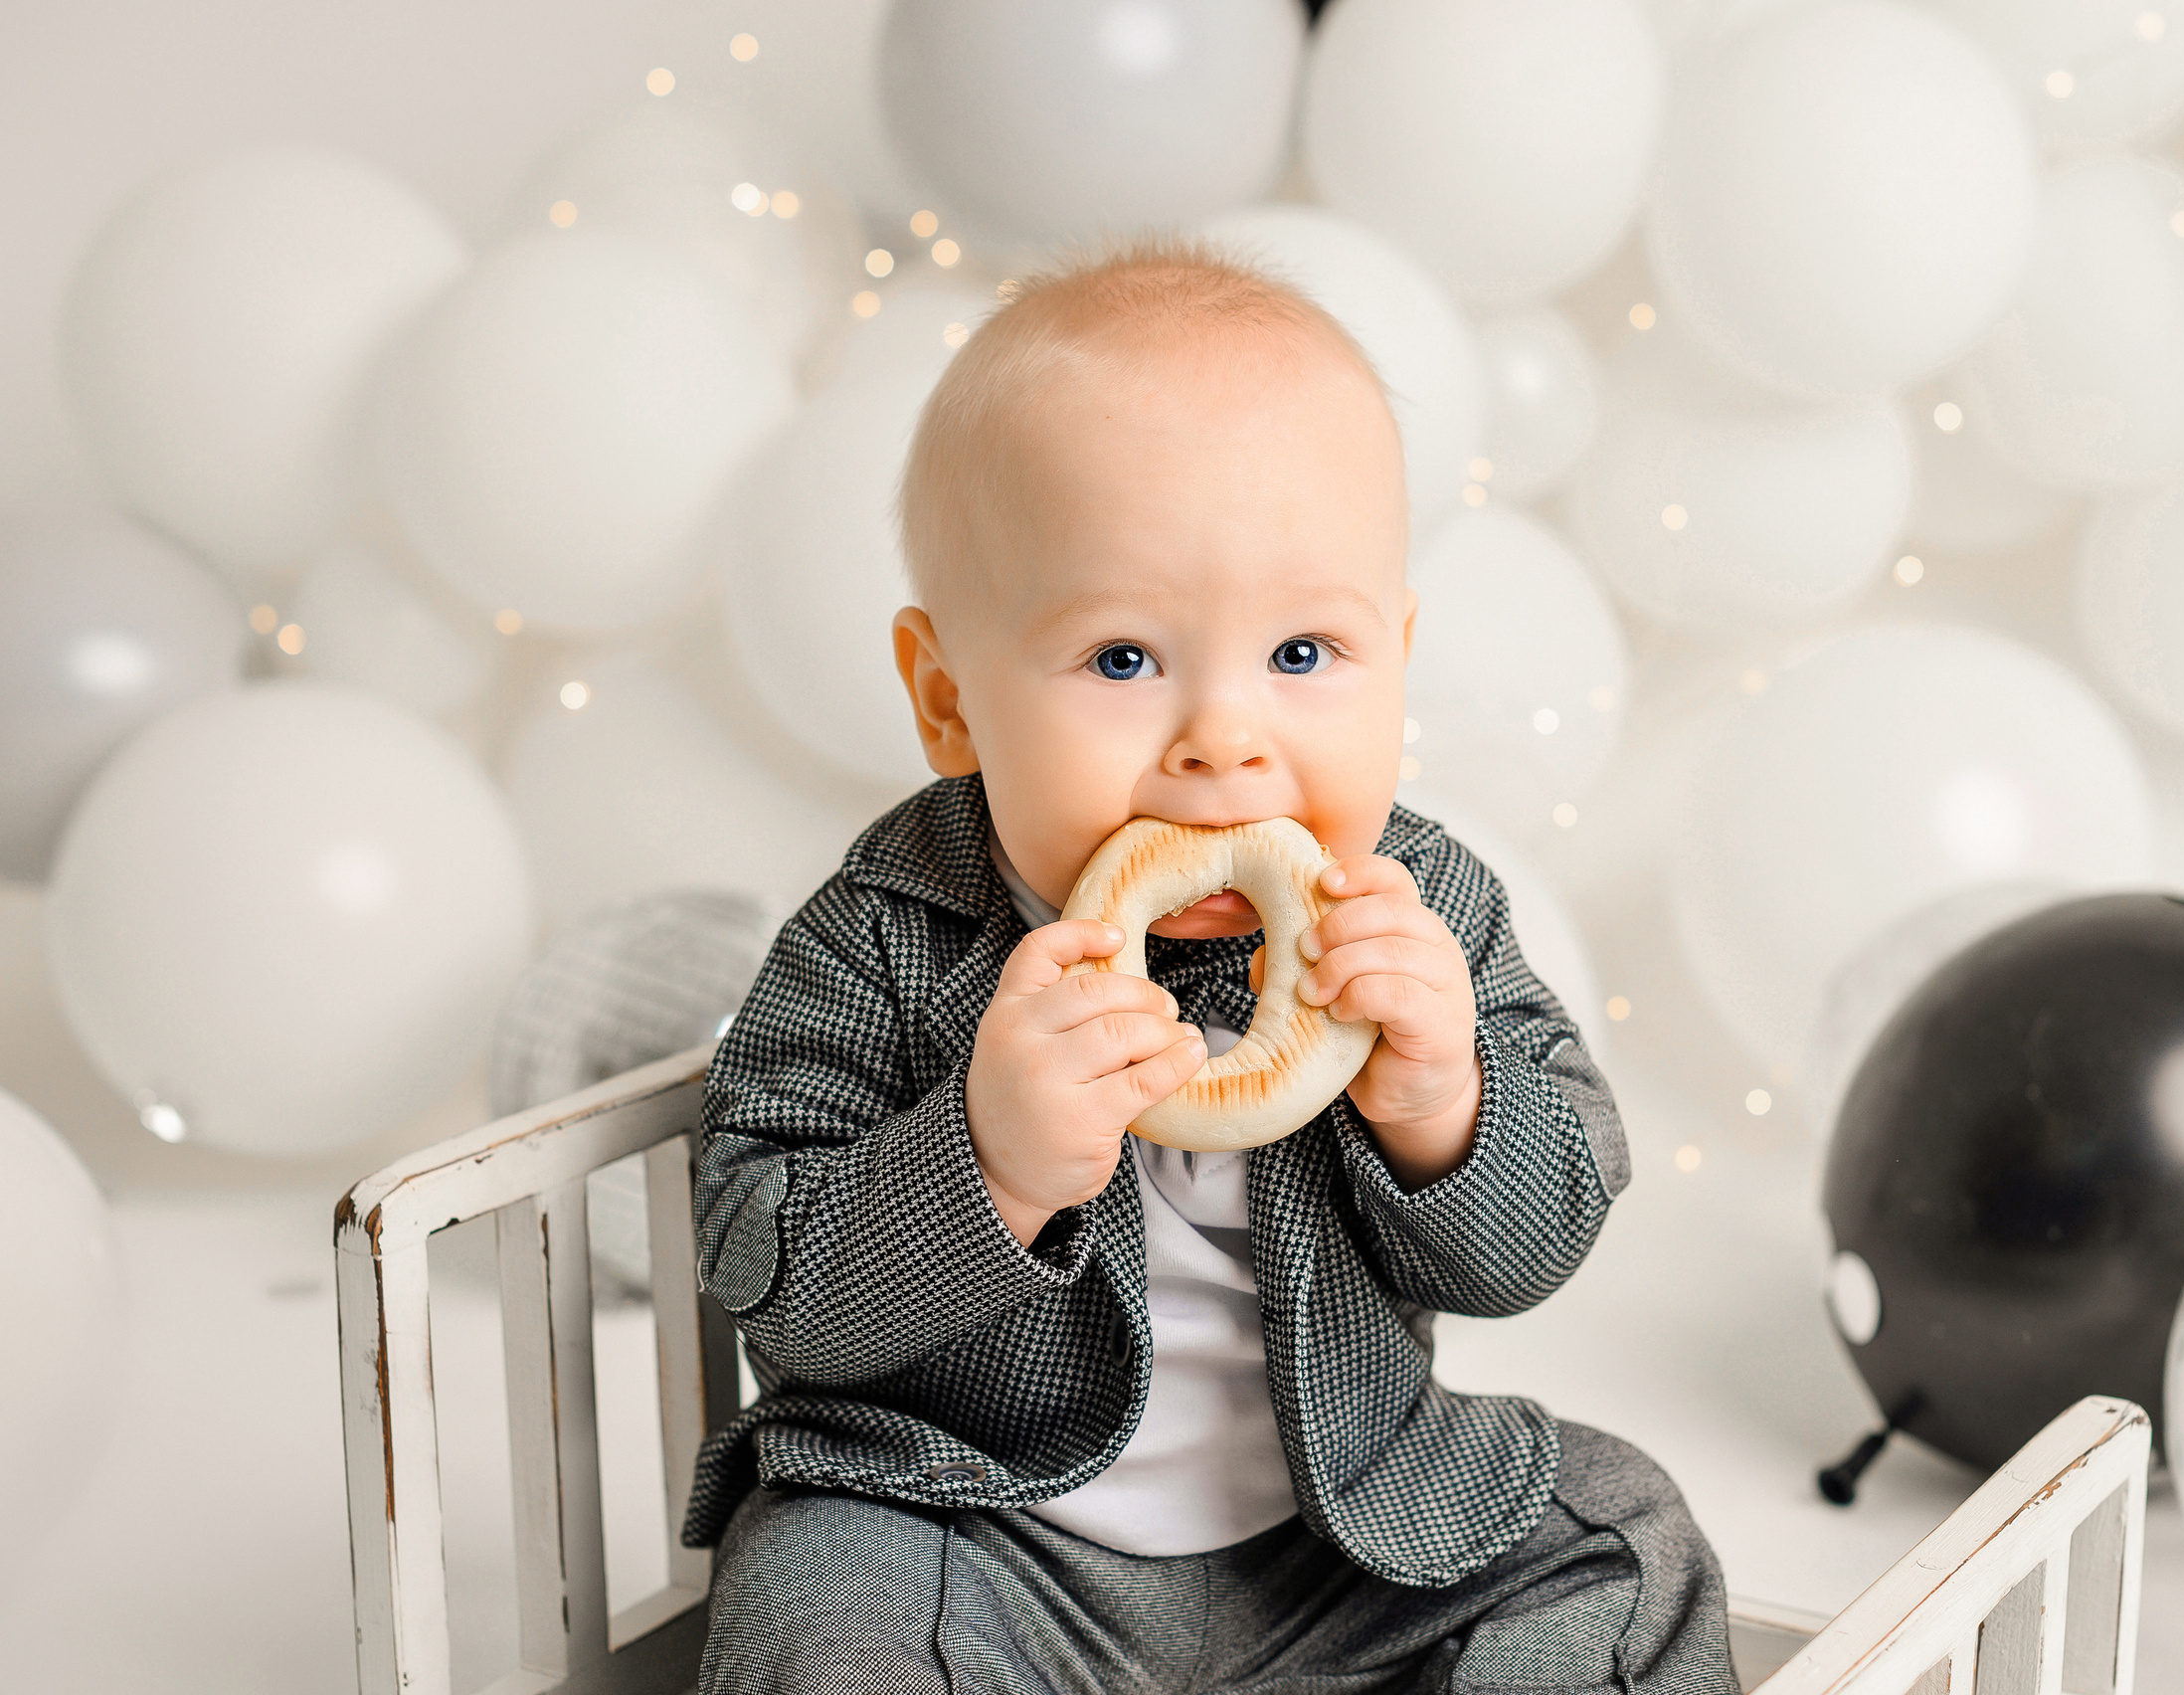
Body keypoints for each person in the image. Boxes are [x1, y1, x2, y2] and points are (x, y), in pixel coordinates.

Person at [682, 236, 1734, 1694]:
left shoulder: (1418, 910)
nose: (1224, 742)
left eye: (1303, 654)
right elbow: (772, 1283)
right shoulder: (886, 933)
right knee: (816, 1601)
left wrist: (1444, 1107)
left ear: (1399, 658)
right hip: (972, 1533)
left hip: (1344, 1544)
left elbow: (1536, 1247)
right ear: (949, 699)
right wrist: (984, 1165)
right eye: (1124, 659)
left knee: (1628, 1543)